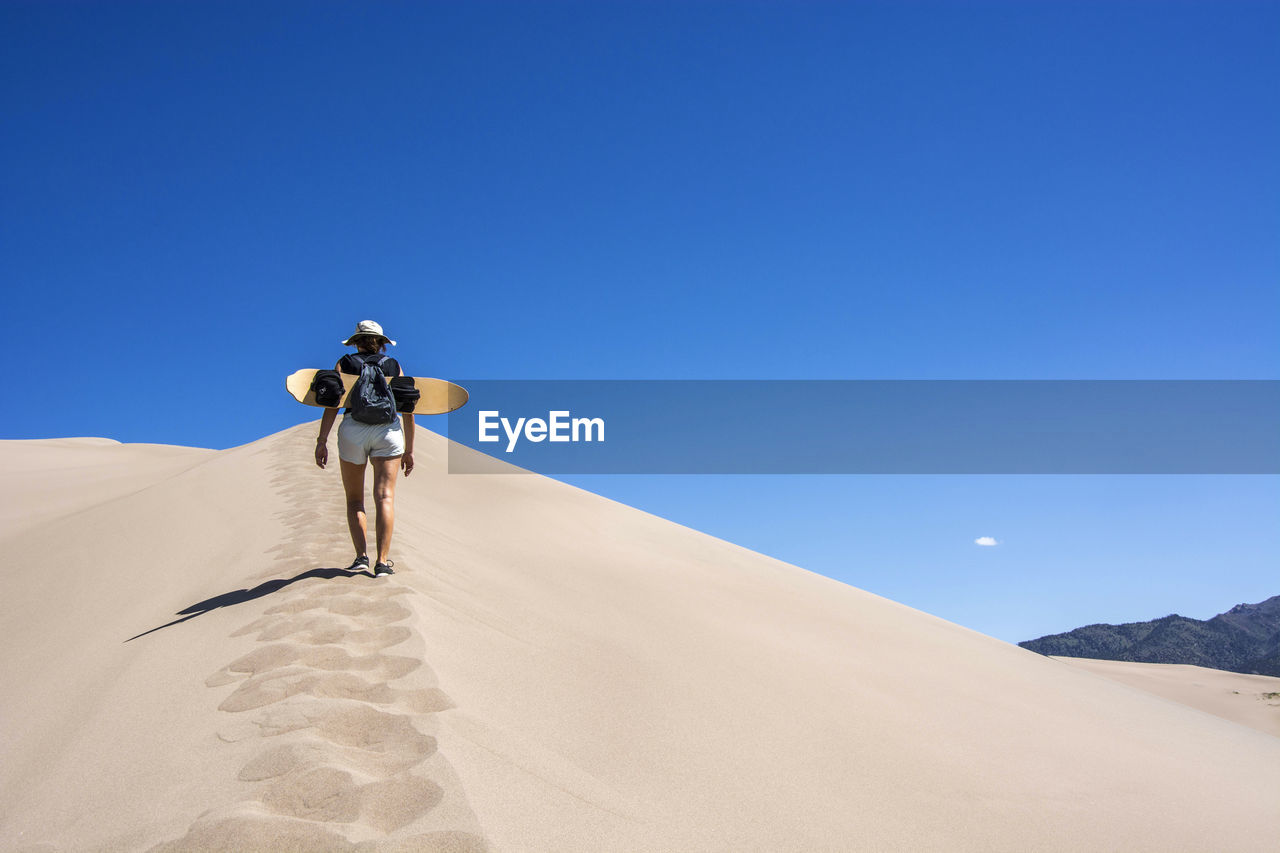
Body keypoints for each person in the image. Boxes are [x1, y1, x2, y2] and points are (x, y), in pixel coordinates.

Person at [314, 320, 414, 577]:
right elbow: (407, 406)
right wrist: (409, 449)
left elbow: (333, 402)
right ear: (381, 344)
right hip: (388, 431)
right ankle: (382, 562)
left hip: (353, 430)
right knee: (385, 497)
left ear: (356, 341)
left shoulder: (345, 362)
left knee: (354, 499)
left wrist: (321, 440)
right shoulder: (393, 365)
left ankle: (361, 558)